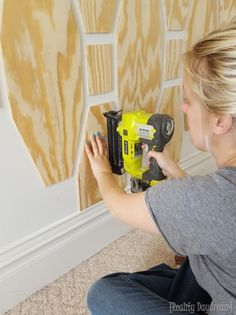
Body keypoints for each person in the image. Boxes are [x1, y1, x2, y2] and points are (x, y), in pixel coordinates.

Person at [85, 20, 236, 315]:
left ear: (221, 121)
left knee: (105, 293)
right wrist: (179, 176)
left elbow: (118, 206)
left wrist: (103, 172)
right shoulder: (216, 199)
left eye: (188, 100)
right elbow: (219, 216)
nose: (182, 108)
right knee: (199, 253)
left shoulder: (211, 201)